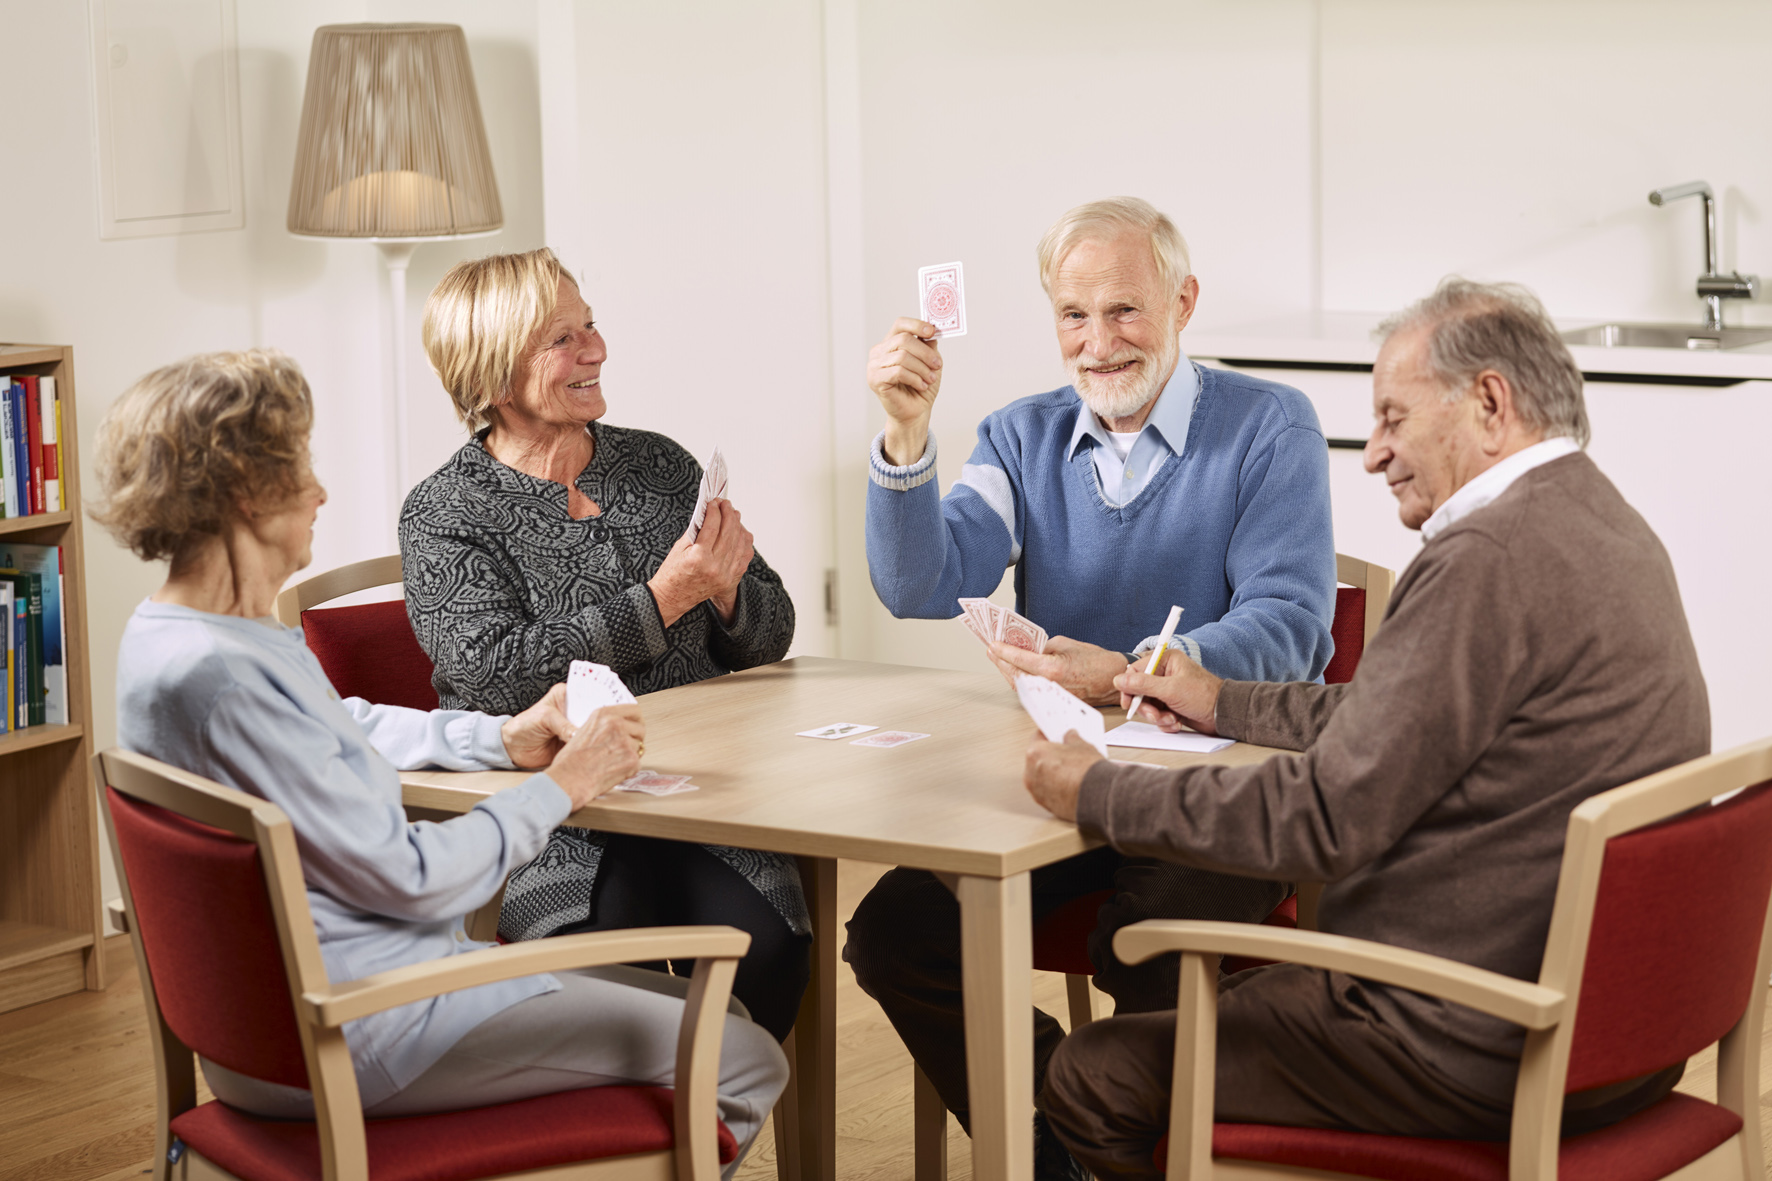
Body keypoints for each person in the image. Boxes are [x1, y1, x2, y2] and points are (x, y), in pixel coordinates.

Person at [1025, 279, 1710, 1179]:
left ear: (1491, 403)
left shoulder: (1485, 559)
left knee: (1092, 1073)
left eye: (1392, 416)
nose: (1374, 453)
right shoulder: (1603, 523)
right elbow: (1392, 714)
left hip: (1462, 1030)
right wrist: (1221, 698)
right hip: (1623, 1033)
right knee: (1241, 1000)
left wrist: (1097, 790)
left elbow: (1321, 817)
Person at [94, 350, 788, 1173]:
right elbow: (418, 879)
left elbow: (333, 725)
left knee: (711, 1012)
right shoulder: (228, 676)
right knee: (744, 1056)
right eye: (301, 472)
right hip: (371, 1021)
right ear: (244, 494)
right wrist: (565, 786)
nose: (321, 493)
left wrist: (495, 738)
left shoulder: (176, 639)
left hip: (267, 1024)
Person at [845, 196, 1337, 1171]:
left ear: (1182, 301)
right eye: (1074, 314)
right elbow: (917, 584)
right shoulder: (1020, 437)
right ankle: (1061, 1143)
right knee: (895, 932)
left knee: (1141, 945)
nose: (1097, 341)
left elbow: (1287, 628)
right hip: (1071, 780)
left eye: (1123, 310)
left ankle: (1102, 1140)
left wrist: (1120, 675)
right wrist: (906, 434)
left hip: (1224, 785)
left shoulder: (1269, 426)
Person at [400, 248, 806, 1041]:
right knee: (598, 989)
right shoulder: (443, 512)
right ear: (489, 375)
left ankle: (696, 1142)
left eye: (590, 325)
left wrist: (724, 590)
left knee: (768, 952)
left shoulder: (660, 464)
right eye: (562, 339)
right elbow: (493, 679)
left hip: (705, 800)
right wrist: (664, 599)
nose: (596, 349)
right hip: (562, 820)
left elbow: (774, 631)